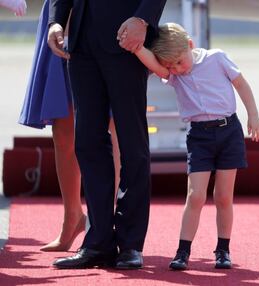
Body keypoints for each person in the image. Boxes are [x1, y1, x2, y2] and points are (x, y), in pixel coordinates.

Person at [130, 22, 259, 270]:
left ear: (190, 45)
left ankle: (222, 250)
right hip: (199, 136)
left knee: (223, 197)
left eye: (180, 62)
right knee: (196, 196)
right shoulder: (173, 73)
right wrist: (138, 48)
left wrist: (253, 115)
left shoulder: (217, 58)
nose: (177, 70)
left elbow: (241, 85)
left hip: (229, 132)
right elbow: (155, 65)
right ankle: (183, 251)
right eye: (171, 66)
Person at [47, 0, 167, 269]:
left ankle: (130, 244)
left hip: (127, 38)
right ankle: (97, 242)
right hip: (81, 41)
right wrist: (56, 20)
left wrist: (143, 19)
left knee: (132, 143)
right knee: (87, 143)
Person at [19, 0, 120, 252]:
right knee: (63, 131)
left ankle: (110, 223)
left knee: (114, 125)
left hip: (109, 17)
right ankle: (72, 218)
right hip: (62, 14)